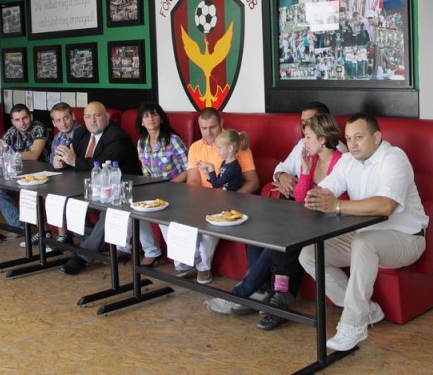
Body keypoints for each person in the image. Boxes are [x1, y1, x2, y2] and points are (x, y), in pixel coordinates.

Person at [299, 113, 428, 351]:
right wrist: (316, 196)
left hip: (407, 238)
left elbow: (386, 205)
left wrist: (337, 206)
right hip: (363, 234)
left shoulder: (394, 159)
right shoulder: (348, 161)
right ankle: (367, 310)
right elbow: (328, 188)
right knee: (309, 253)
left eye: (358, 137)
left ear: (377, 137)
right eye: (348, 139)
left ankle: (354, 323)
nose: (352, 144)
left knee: (364, 242)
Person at [256, 112, 346, 331]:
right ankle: (280, 295)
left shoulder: (341, 162)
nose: (304, 142)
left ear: (322, 139)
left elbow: (325, 199)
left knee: (291, 232)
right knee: (281, 228)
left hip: (337, 220)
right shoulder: (312, 160)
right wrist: (305, 170)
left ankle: (277, 295)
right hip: (314, 217)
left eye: (307, 137)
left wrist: (307, 194)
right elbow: (300, 198)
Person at [173, 108, 259, 284]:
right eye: (204, 128)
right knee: (166, 217)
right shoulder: (196, 147)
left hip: (229, 199)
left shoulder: (234, 145)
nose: (208, 133)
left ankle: (203, 267)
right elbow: (193, 180)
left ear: (221, 123)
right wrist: (198, 200)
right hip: (203, 197)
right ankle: (184, 261)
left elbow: (253, 182)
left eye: (212, 127)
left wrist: (231, 199)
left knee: (211, 220)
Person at [55, 101, 141, 275]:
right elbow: (73, 158)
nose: (92, 121)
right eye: (88, 117)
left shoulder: (118, 136)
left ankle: (83, 255)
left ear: (107, 117)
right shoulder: (81, 133)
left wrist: (73, 161)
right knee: (62, 204)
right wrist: (61, 163)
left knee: (109, 213)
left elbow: (102, 164)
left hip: (120, 189)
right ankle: (93, 242)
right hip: (90, 187)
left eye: (97, 116)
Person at [20, 102, 80, 248]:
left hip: (77, 178)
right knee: (32, 189)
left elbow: (83, 161)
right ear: (53, 123)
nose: (63, 124)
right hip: (62, 176)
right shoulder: (58, 137)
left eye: (66, 118)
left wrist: (67, 162)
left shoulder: (81, 133)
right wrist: (56, 163)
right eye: (58, 120)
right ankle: (44, 232)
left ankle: (63, 236)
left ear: (73, 116)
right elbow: (53, 161)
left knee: (52, 193)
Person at [135, 101, 188, 266]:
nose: (150, 119)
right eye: (146, 116)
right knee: (135, 209)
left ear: (161, 119)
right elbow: (146, 173)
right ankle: (151, 250)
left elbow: (189, 170)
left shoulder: (173, 140)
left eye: (154, 114)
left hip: (177, 189)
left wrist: (168, 187)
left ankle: (182, 262)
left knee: (161, 212)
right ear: (141, 122)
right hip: (155, 190)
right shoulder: (142, 143)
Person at [0, 104, 50, 231]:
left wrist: (9, 153)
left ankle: (42, 232)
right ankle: (20, 226)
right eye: (17, 120)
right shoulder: (12, 131)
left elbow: (34, 155)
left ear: (31, 117)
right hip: (19, 175)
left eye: (25, 118)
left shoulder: (38, 128)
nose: (22, 123)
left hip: (40, 175)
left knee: (28, 190)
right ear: (13, 122)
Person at [272, 102, 347, 199]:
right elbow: (300, 197)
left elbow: (326, 198)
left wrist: (300, 191)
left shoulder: (341, 158)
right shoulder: (310, 154)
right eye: (303, 122)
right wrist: (283, 177)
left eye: (310, 121)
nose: (304, 126)